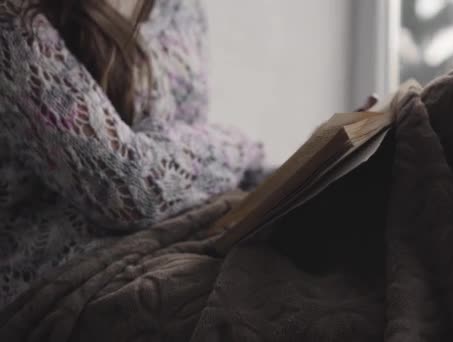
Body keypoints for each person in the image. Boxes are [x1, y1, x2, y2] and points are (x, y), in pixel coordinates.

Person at [0, 0, 267, 308]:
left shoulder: (180, 8)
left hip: (172, 241)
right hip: (52, 282)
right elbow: (129, 188)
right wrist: (242, 147)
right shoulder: (13, 24)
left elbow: (188, 161)